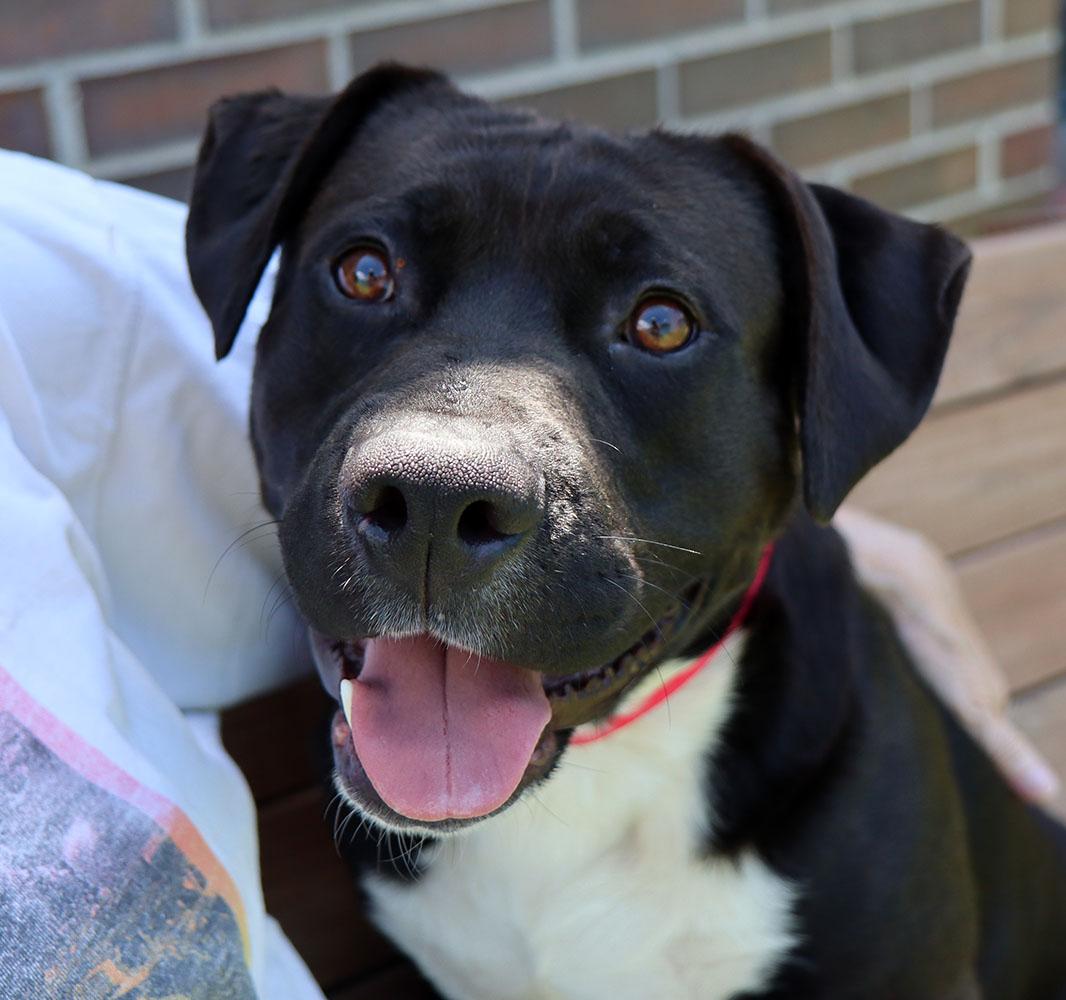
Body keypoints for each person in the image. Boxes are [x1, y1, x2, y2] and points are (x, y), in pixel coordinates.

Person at [0, 148, 1057, 996]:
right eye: (368, 277)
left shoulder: (849, 822)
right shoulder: (398, 756)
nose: (448, 464)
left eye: (658, 322)